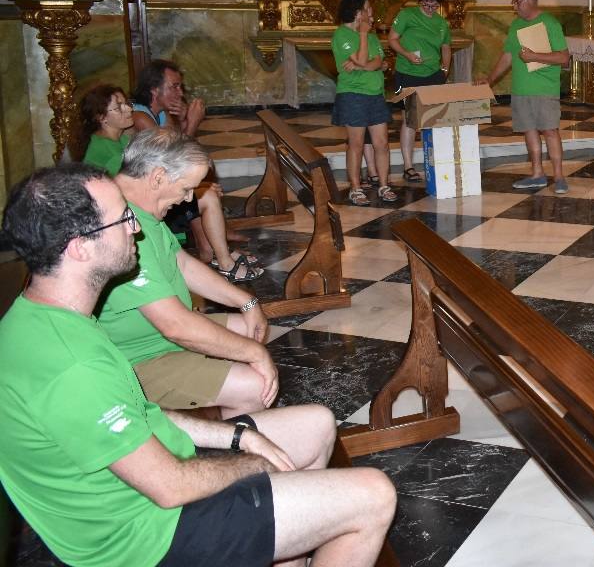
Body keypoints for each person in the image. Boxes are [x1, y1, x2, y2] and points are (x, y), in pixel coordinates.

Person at [0, 164, 396, 567]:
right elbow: (169, 486)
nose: (135, 226)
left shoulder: (49, 316)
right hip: (147, 537)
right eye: (122, 218)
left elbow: (144, 415)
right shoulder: (71, 364)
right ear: (80, 246)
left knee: (315, 423)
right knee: (374, 494)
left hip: (151, 483)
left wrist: (239, 438)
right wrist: (253, 466)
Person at [98, 128, 279, 418]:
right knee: (255, 385)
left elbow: (181, 263)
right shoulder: (118, 227)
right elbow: (176, 326)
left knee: (252, 328)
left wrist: (247, 302)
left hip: (158, 337)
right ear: (157, 177)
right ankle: (234, 451)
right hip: (136, 360)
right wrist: (254, 354)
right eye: (185, 189)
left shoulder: (140, 210)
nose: (187, 200)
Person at [125, 64, 264, 282]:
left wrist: (183, 121)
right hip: (150, 196)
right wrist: (193, 123)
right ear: (154, 89)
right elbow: (174, 160)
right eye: (175, 86)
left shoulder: (160, 114)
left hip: (164, 184)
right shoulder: (141, 118)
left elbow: (178, 147)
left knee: (205, 179)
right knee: (204, 191)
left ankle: (216, 247)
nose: (180, 92)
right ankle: (220, 256)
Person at [481, 0, 571, 194]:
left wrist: (534, 57)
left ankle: (558, 176)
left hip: (544, 88)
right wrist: (490, 79)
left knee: (549, 130)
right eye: (513, 2)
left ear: (531, 0)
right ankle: (537, 174)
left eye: (517, 1)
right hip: (521, 89)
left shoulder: (550, 23)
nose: (514, 7)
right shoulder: (515, 26)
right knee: (529, 130)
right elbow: (508, 56)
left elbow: (564, 58)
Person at [332, 0, 397, 206]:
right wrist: (361, 37)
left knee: (382, 143)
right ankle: (355, 187)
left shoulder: (372, 36)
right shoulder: (342, 34)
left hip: (375, 94)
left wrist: (364, 64)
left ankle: (384, 185)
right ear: (357, 12)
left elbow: (378, 61)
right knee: (356, 144)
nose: (372, 12)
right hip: (353, 95)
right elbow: (361, 58)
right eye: (368, 8)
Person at [389, 0, 452, 184]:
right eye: (426, 4)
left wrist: (444, 69)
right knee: (410, 120)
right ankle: (408, 166)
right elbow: (392, 39)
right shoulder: (407, 15)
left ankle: (432, 161)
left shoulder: (442, 24)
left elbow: (446, 48)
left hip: (433, 74)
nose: (430, 8)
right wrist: (407, 55)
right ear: (420, 1)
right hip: (408, 73)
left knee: (432, 119)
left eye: (434, 5)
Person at [77, 83, 134, 176]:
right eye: (119, 107)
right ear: (102, 117)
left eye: (126, 103)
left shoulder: (121, 138)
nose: (129, 109)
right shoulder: (110, 153)